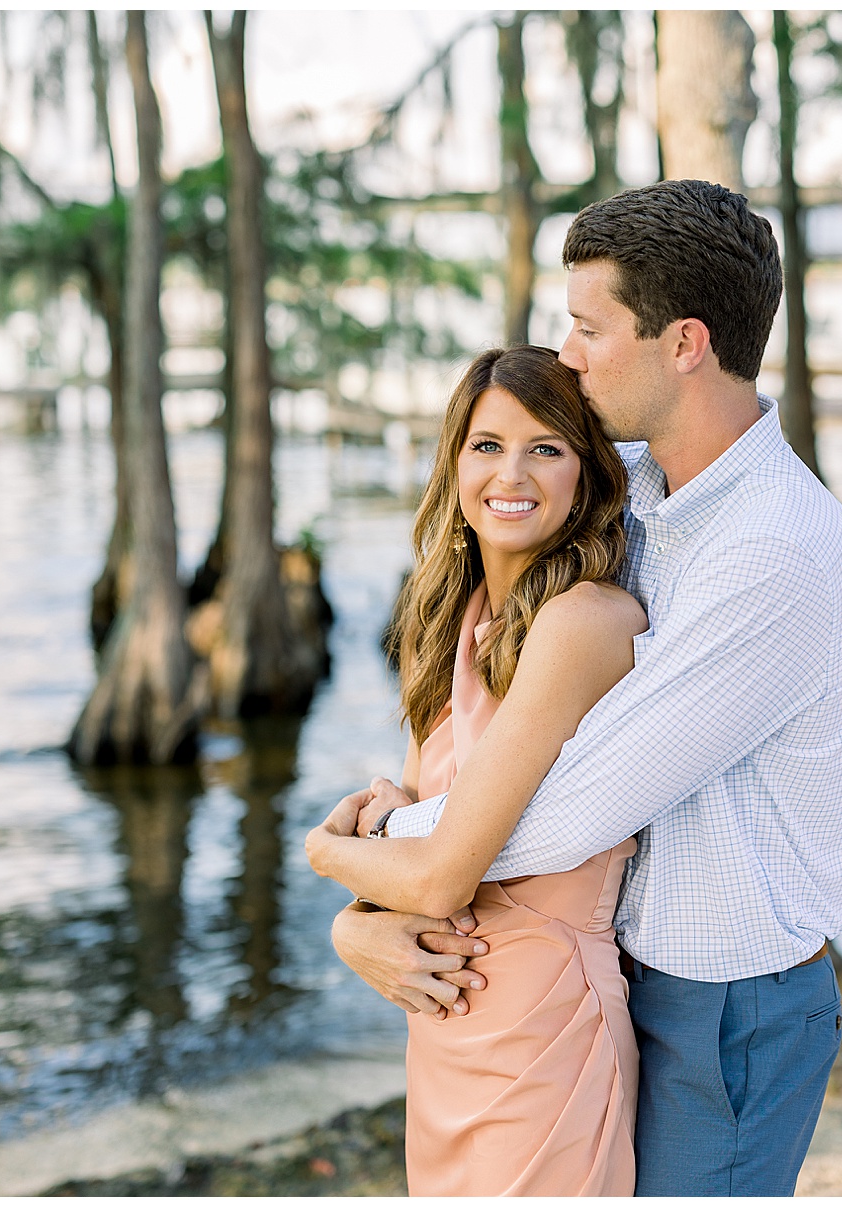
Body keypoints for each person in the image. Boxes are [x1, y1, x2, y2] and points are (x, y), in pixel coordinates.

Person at [316, 179, 842, 1196]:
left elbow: (561, 813)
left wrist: (359, 856)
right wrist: (368, 912)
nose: (569, 353)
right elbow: (510, 469)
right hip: (624, 972)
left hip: (728, 1007)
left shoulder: (771, 551)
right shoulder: (651, 495)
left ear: (685, 343)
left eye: (588, 326)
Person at [308, 343, 648, 1195]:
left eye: (547, 447)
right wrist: (365, 909)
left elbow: (439, 872)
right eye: (488, 445)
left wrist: (324, 852)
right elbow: (434, 844)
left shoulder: (585, 622)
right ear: (454, 462)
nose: (514, 473)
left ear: (587, 475)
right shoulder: (452, 618)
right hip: (446, 1011)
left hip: (544, 1028)